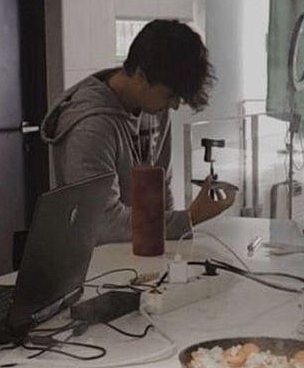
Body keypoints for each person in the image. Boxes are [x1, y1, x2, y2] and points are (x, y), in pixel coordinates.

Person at [41, 19, 235, 244]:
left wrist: (173, 252)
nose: (173, 105)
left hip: (139, 254)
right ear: (141, 76)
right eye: (170, 95)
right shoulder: (91, 129)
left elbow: (162, 189)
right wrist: (190, 218)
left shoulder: (154, 107)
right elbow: (104, 225)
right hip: (97, 264)